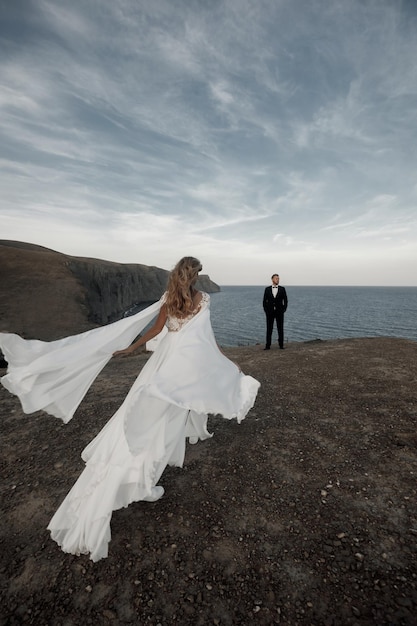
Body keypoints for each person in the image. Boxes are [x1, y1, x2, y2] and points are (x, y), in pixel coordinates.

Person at [0, 257, 260, 562]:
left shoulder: (168, 298)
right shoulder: (202, 300)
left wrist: (132, 348)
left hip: (160, 366)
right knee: (166, 426)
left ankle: (139, 479)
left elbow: (154, 331)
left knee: (138, 417)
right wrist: (227, 363)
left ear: (178, 274)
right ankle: (143, 481)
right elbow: (206, 340)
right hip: (181, 372)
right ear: (196, 276)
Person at [263, 273, 288, 350]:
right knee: (269, 329)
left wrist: (283, 309)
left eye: (278, 278)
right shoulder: (267, 289)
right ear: (272, 279)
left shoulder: (282, 289)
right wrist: (266, 311)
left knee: (280, 328)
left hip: (279, 312)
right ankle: (268, 345)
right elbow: (264, 301)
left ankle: (281, 345)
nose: (278, 280)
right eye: (276, 278)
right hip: (270, 312)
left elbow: (285, 300)